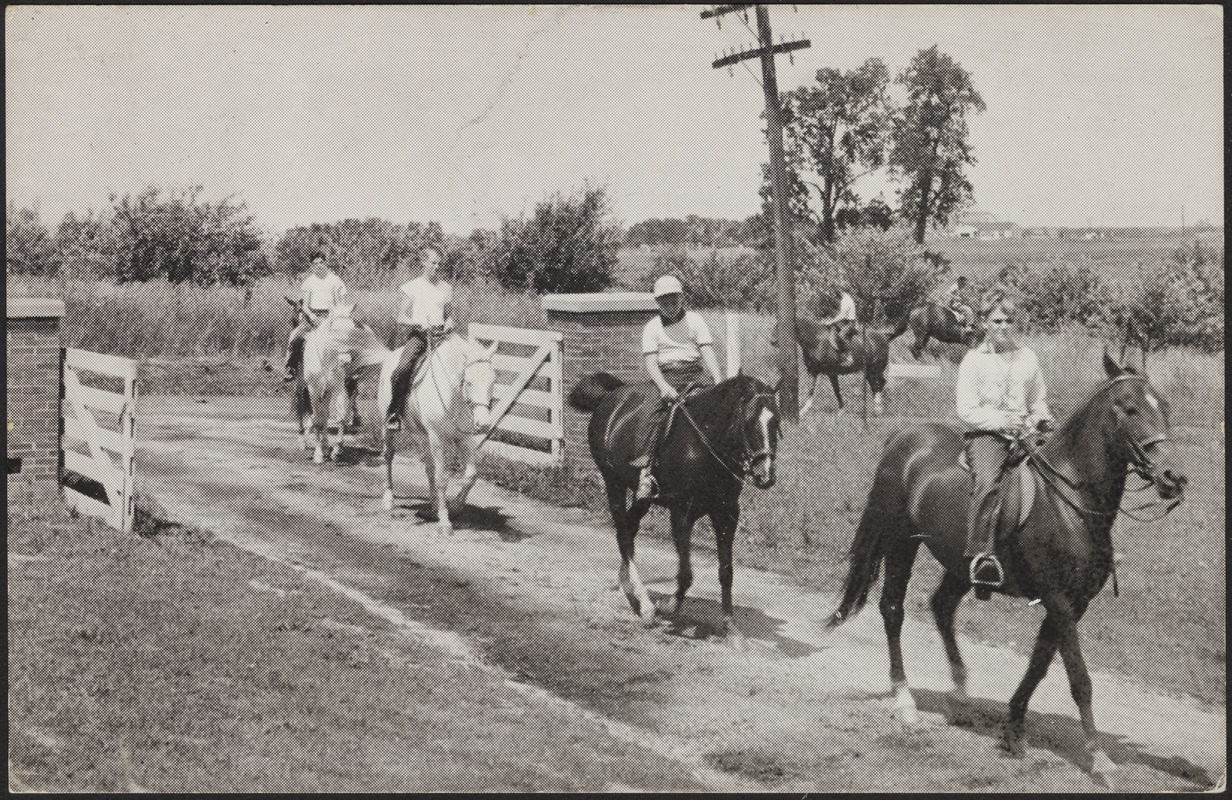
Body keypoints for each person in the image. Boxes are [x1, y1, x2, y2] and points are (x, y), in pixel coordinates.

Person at [955, 294, 1053, 597]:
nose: (1003, 326)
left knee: (1058, 472)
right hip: (987, 436)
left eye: (1009, 320)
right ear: (985, 322)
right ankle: (981, 556)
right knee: (987, 481)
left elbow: (1038, 401)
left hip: (1025, 434)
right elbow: (966, 410)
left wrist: (1041, 419)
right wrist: (1002, 422)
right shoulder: (973, 360)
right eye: (997, 320)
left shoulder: (1028, 358)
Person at [632, 275, 725, 501]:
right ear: (657, 303)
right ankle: (646, 473)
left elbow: (707, 353)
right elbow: (651, 364)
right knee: (650, 414)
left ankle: (723, 464)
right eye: (664, 302)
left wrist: (718, 378)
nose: (670, 306)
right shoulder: (652, 328)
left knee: (720, 410)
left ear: (682, 298)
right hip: (667, 376)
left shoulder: (695, 321)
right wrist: (663, 387)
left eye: (674, 300)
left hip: (695, 373)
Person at [385, 246, 452, 431]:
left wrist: (449, 323)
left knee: (464, 363)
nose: (437, 267)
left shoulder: (446, 288)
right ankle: (395, 412)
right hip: (420, 336)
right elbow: (401, 317)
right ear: (423, 263)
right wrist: (418, 323)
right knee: (402, 368)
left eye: (439, 263)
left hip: (442, 336)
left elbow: (448, 315)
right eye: (433, 263)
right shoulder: (412, 287)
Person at [285, 252, 346, 382]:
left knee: (347, 337)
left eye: (321, 263)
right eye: (315, 264)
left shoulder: (335, 280)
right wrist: (312, 316)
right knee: (295, 336)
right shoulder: (309, 282)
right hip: (312, 316)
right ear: (312, 266)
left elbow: (340, 304)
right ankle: (291, 368)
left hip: (331, 317)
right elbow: (305, 305)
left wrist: (334, 317)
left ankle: (352, 369)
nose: (318, 266)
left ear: (325, 263)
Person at [819, 284, 859, 367]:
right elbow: (841, 315)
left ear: (842, 291)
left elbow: (843, 315)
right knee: (831, 330)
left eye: (839, 291)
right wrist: (829, 322)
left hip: (850, 323)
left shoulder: (846, 300)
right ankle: (834, 355)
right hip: (845, 322)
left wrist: (831, 321)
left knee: (842, 335)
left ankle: (849, 356)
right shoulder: (846, 299)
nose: (838, 293)